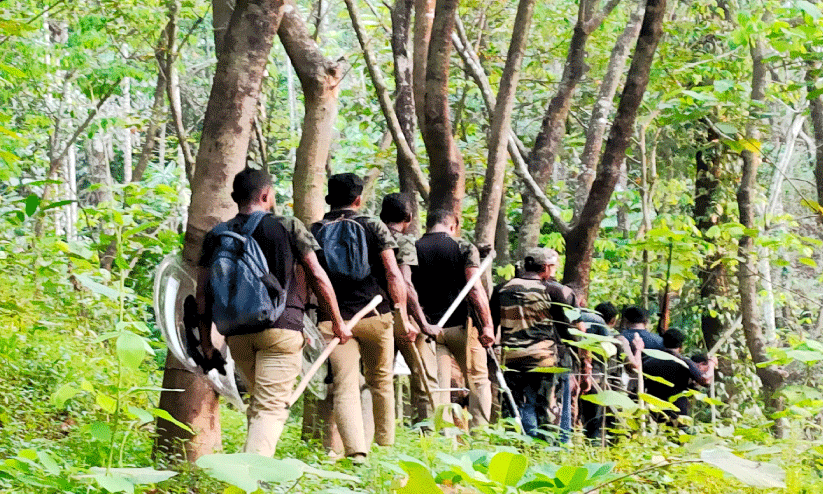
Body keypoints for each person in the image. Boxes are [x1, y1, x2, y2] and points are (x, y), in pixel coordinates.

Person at [197, 168, 346, 457]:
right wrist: (338, 323)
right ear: (266, 195)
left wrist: (206, 343)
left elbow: (202, 296)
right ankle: (251, 480)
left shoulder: (216, 235)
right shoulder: (287, 226)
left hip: (237, 333)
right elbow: (317, 275)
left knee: (260, 405)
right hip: (282, 328)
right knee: (270, 408)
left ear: (234, 197)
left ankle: (249, 473)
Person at [310, 173, 409, 463]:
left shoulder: (314, 230)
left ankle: (356, 453)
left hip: (333, 321)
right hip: (376, 314)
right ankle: (385, 447)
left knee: (344, 385)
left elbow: (308, 278)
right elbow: (392, 272)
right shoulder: (372, 225)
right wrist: (400, 311)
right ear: (358, 199)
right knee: (381, 380)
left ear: (329, 199)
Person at [412, 209, 495, 428]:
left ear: (427, 225)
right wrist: (487, 325)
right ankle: (481, 433)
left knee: (438, 385)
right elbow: (474, 289)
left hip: (428, 328)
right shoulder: (463, 247)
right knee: (478, 381)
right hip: (461, 326)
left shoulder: (412, 248)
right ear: (453, 226)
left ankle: (443, 436)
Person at [380, 193, 442, 423]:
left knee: (378, 377)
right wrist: (422, 322)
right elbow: (404, 283)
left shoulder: (370, 235)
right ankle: (428, 429)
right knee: (424, 375)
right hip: (401, 316)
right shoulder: (404, 241)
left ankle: (379, 431)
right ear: (409, 217)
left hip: (376, 314)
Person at [643, 328, 717, 424]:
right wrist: (711, 363)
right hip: (678, 413)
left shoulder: (648, 361)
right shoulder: (684, 363)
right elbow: (705, 380)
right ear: (681, 346)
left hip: (653, 413)